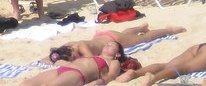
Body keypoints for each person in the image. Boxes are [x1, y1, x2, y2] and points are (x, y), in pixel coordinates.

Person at [48, 24, 187, 62]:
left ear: (71, 52)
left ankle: (170, 30)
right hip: (103, 37)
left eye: (73, 58)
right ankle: (140, 28)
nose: (75, 59)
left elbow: (93, 61)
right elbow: (53, 56)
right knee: (127, 34)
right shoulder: (69, 46)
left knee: (144, 38)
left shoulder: (82, 47)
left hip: (113, 41)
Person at [21, 39, 124, 85]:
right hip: (64, 69)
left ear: (118, 54)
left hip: (78, 74)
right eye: (107, 43)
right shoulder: (94, 55)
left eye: (111, 45)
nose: (107, 45)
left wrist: (97, 82)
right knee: (26, 84)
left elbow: (111, 77)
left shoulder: (113, 62)